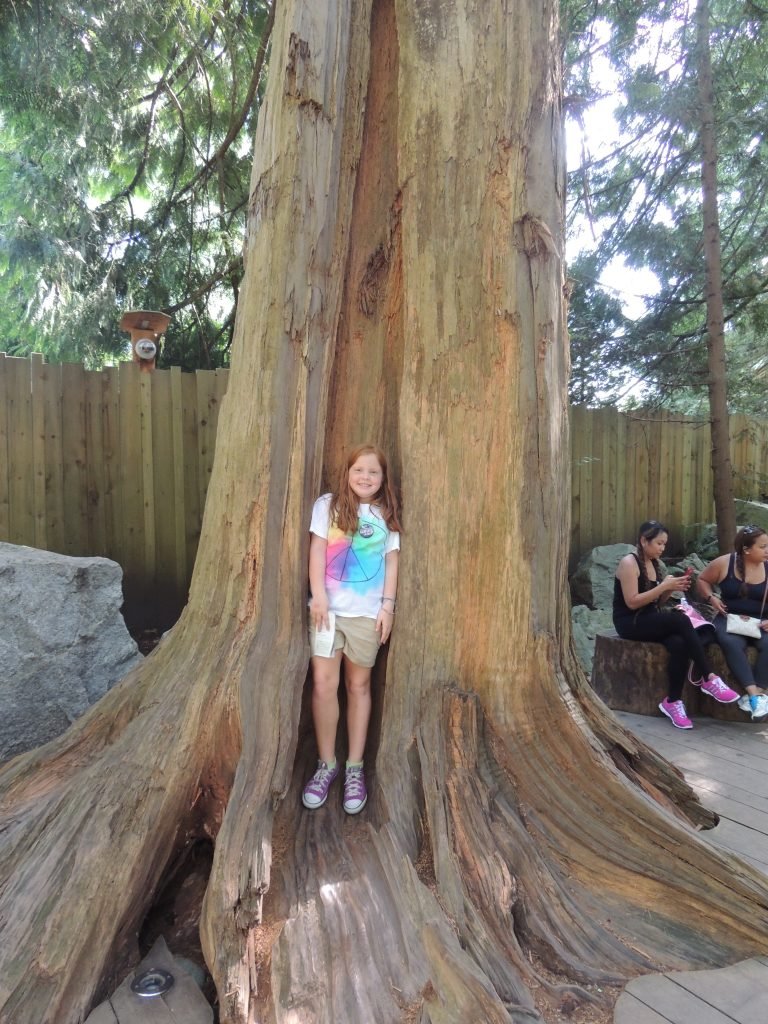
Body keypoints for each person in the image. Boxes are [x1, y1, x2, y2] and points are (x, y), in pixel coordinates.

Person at [302, 444, 401, 814]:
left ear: (382, 478)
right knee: (324, 685)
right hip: (327, 614)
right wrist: (318, 596)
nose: (365, 477)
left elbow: (392, 563)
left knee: (358, 686)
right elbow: (316, 550)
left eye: (373, 472)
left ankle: (354, 768)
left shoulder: (386, 513)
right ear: (347, 472)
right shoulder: (327, 505)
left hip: (366, 616)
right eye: (359, 470)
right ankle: (326, 764)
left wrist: (387, 608)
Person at [613, 520, 739, 729]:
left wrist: (670, 590)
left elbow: (655, 603)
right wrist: (663, 585)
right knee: (680, 619)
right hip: (629, 623)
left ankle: (672, 701)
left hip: (648, 618)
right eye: (659, 543)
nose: (662, 548)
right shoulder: (629, 562)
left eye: (664, 544)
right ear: (644, 540)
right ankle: (709, 676)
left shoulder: (653, 564)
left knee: (679, 644)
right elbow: (632, 602)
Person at [695, 525, 768, 722]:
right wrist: (712, 598)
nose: (767, 550)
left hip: (761, 622)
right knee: (729, 643)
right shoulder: (724, 563)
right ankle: (753, 694)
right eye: (763, 547)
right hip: (728, 618)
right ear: (746, 549)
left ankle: (758, 695)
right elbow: (702, 580)